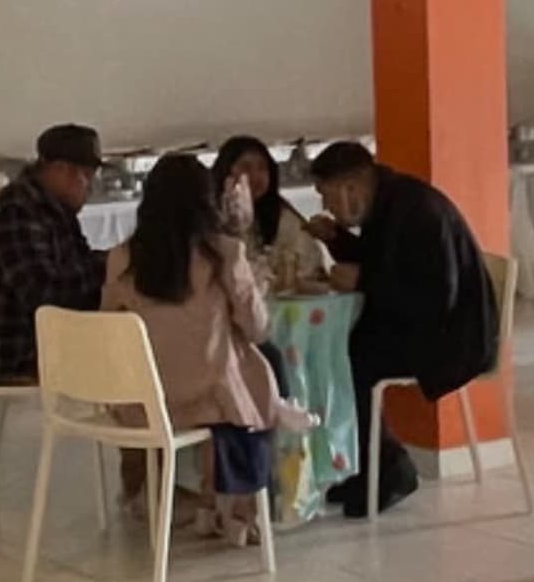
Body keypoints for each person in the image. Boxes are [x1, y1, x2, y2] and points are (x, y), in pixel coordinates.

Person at [312, 137, 498, 516]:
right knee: (345, 350)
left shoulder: (416, 210)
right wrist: (337, 239)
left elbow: (432, 296)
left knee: (353, 358)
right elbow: (385, 261)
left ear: (352, 188)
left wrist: (362, 281)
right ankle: (367, 467)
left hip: (454, 336)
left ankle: (390, 468)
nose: (326, 206)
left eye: (327, 196)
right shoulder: (392, 203)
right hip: (428, 322)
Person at [105, 149, 284, 543]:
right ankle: (244, 504)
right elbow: (257, 328)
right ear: (208, 203)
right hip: (210, 399)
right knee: (263, 372)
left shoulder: (122, 259)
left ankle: (158, 494)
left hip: (143, 403)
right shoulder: (224, 254)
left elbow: (110, 328)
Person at [0, 122, 108, 390]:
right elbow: (46, 295)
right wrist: (112, 267)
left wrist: (115, 264)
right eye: (87, 175)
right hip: (11, 353)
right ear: (60, 169)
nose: (91, 186)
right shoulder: (16, 212)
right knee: (133, 352)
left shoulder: (53, 207)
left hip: (40, 340)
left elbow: (79, 266)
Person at [214, 133, 333, 292]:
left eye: (262, 168)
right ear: (226, 173)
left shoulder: (282, 215)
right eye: (246, 167)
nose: (255, 176)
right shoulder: (210, 216)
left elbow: (308, 262)